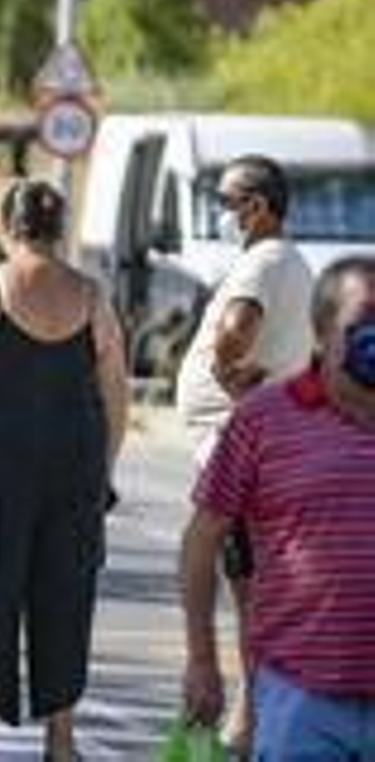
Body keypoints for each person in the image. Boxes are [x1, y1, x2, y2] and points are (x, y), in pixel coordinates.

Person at [0, 180, 130, 760]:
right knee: (67, 597)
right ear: (59, 230)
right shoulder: (92, 296)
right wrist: (104, 466)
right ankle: (61, 741)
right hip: (75, 463)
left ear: (6, 228)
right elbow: (115, 394)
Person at [180, 256, 375, 757]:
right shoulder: (264, 419)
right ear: (321, 331)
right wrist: (202, 660)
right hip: (301, 697)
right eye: (363, 324)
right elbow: (202, 541)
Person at [173, 154, 313, 754]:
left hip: (237, 443)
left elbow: (237, 324)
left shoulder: (265, 261)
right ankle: (253, 721)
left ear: (256, 206)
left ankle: (253, 724)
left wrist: (228, 373)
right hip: (250, 440)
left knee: (246, 588)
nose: (222, 216)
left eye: (226, 205)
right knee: (252, 586)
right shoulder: (286, 262)